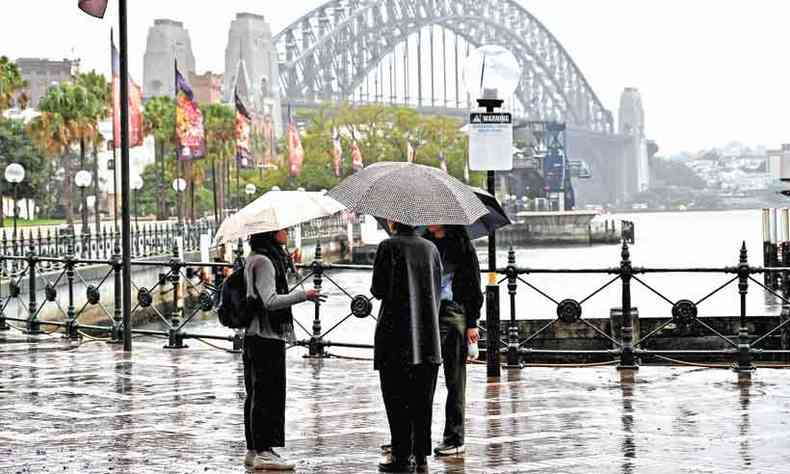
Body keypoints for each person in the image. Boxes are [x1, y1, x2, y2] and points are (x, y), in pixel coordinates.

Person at [242, 228, 323, 471]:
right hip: (267, 336)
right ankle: (264, 451)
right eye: (283, 230)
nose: (287, 232)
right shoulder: (264, 262)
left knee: (256, 394)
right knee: (268, 394)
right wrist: (304, 295)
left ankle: (255, 449)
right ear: (270, 233)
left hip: (254, 335)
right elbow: (270, 300)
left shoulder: (254, 258)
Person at [371, 220, 443, 473]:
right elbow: (437, 287)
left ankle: (402, 455)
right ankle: (421, 454)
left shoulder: (387, 247)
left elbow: (378, 289)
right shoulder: (431, 249)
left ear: (393, 221)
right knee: (423, 400)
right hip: (427, 337)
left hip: (395, 337)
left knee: (396, 399)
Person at [423, 225, 483, 457]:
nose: (430, 220)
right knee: (423, 376)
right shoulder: (425, 242)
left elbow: (473, 286)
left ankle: (455, 438)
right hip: (428, 313)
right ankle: (420, 437)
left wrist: (472, 323)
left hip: (453, 311)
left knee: (455, 379)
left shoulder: (462, 246)